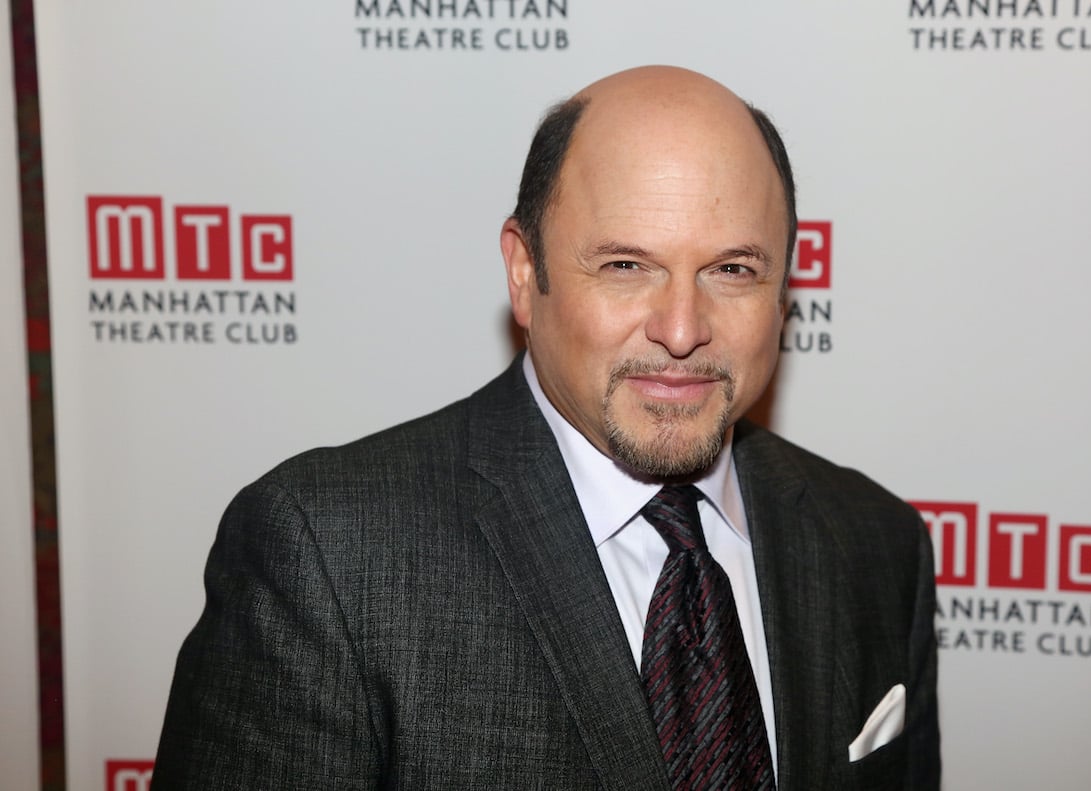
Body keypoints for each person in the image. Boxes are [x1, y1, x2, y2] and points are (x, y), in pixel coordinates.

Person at [152, 65, 940, 790]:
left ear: (782, 291)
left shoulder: (875, 542)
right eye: (626, 265)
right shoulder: (329, 555)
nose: (680, 328)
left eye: (732, 269)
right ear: (525, 273)